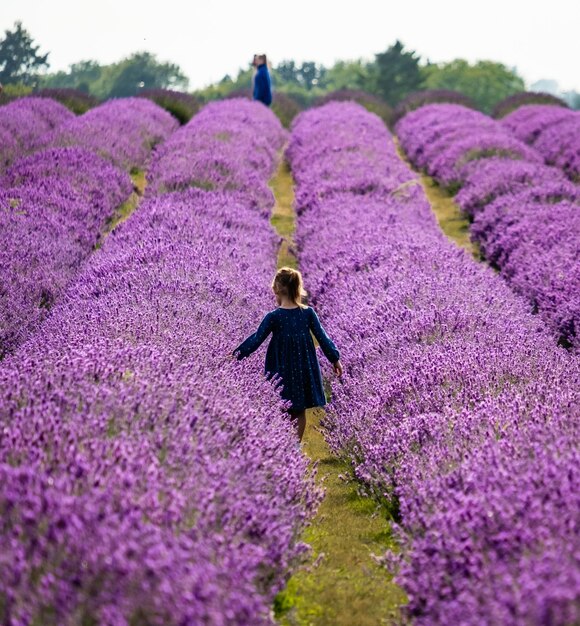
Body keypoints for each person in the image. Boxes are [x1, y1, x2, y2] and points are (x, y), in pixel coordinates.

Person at [233, 267, 343, 441]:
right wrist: (334, 358)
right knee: (299, 410)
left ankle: (281, 444)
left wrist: (236, 355)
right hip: (302, 369)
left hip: (280, 369)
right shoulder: (307, 313)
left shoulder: (274, 316)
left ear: (276, 289)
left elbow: (256, 338)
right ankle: (295, 447)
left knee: (281, 406)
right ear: (297, 288)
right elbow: (322, 337)